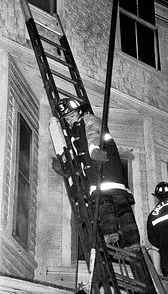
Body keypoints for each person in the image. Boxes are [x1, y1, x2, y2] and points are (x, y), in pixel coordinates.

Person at [53, 98, 140, 252]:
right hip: (96, 176)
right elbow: (76, 157)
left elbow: (94, 133)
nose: (69, 120)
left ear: (79, 111)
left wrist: (94, 150)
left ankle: (132, 241)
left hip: (107, 169)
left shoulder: (89, 120)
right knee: (104, 204)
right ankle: (112, 235)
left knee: (121, 205)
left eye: (71, 115)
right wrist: (64, 165)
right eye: (66, 118)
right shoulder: (73, 134)